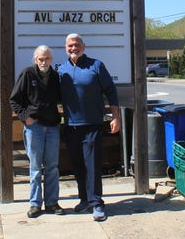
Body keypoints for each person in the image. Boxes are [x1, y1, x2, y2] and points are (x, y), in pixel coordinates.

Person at [58, 33, 121, 222]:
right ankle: (84, 199)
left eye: (76, 44)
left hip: (93, 124)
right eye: (70, 46)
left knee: (92, 165)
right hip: (70, 126)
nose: (73, 48)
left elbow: (110, 90)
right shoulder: (61, 69)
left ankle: (97, 203)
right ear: (65, 48)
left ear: (83, 46)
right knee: (77, 166)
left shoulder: (96, 65)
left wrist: (116, 116)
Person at [10, 45, 64, 218]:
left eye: (47, 58)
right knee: (34, 168)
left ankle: (52, 202)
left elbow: (62, 98)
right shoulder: (27, 74)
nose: (44, 62)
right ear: (35, 60)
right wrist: (25, 117)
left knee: (53, 167)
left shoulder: (55, 76)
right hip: (34, 128)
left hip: (53, 126)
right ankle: (35, 204)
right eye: (40, 59)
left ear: (51, 60)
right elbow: (14, 100)